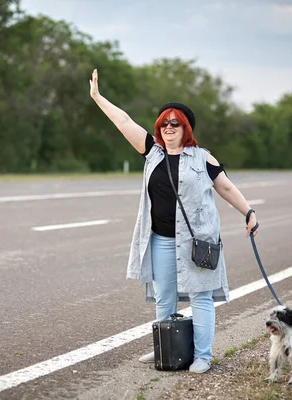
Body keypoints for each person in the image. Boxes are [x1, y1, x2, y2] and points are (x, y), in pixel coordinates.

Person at [89, 68, 259, 374]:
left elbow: (226, 187)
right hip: (162, 240)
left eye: (175, 123)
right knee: (164, 298)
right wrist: (98, 98)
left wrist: (249, 212)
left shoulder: (202, 157)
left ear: (186, 128)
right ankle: (163, 350)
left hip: (197, 241)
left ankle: (203, 356)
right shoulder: (151, 153)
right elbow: (123, 121)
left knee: (200, 297)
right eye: (164, 122)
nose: (168, 126)